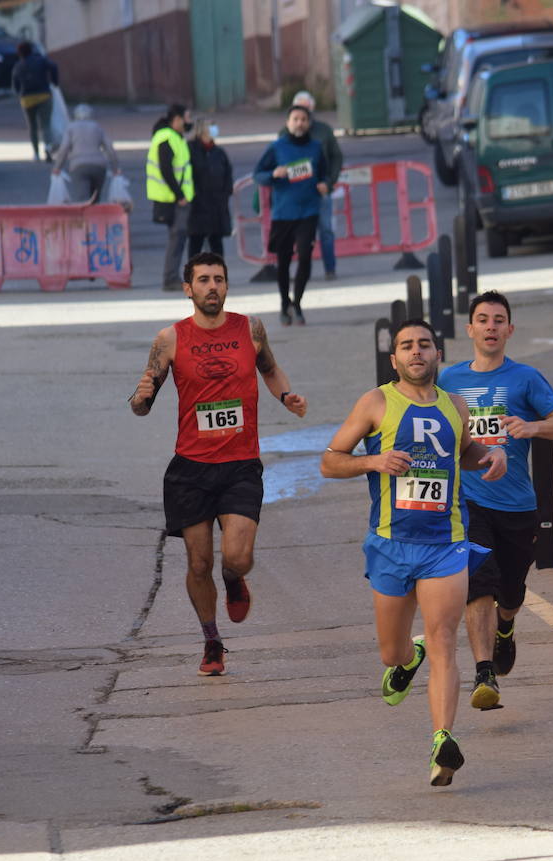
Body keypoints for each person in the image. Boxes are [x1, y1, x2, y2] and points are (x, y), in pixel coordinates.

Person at [320, 319, 507, 787]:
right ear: (394, 359)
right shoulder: (376, 402)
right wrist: (372, 460)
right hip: (390, 542)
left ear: (438, 354)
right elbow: (330, 460)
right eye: (407, 346)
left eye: (425, 344)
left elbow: (462, 452)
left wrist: (488, 455)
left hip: (445, 542)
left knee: (445, 639)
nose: (416, 352)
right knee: (391, 652)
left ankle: (443, 741)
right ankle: (408, 657)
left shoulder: (455, 405)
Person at [129, 252, 308, 677]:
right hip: (191, 467)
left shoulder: (250, 328)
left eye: (220, 279)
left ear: (227, 286)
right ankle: (212, 640)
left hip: (241, 463)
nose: (213, 287)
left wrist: (286, 396)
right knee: (197, 564)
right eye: (204, 280)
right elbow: (143, 402)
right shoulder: (169, 339)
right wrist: (139, 398)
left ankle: (234, 578)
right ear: (188, 288)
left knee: (238, 557)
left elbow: (271, 369)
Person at [437, 291, 553, 710]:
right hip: (468, 502)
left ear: (509, 330)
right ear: (470, 329)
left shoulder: (526, 378)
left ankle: (506, 628)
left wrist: (533, 428)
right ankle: (484, 673)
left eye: (499, 320)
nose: (491, 326)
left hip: (517, 505)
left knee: (510, 593)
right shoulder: (449, 381)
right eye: (483, 319)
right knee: (478, 583)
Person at [253, 105, 328, 326]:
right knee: (283, 261)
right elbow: (258, 174)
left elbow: (324, 171)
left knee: (305, 256)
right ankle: (284, 303)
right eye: (295, 119)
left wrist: (325, 183)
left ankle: (298, 302)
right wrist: (273, 174)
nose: (299, 123)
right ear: (288, 123)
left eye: (303, 119)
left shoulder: (316, 147)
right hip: (284, 212)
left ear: (309, 123)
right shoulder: (277, 147)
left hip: (308, 210)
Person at [288, 91, 343, 279]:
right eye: (299, 110)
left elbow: (336, 157)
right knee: (301, 235)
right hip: (296, 194)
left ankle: (330, 269)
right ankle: (303, 272)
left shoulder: (323, 131)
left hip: (320, 191)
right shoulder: (286, 133)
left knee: (326, 230)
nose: (302, 117)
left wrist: (329, 181)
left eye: (307, 108)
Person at [147, 104, 194, 292]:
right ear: (177, 120)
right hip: (172, 200)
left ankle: (172, 276)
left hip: (175, 198)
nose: (189, 122)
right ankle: (170, 278)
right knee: (177, 238)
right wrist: (180, 195)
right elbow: (166, 169)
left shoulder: (175, 137)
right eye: (187, 118)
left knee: (178, 239)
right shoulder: (166, 138)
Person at [51, 103, 120, 203]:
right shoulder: (97, 127)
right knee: (95, 199)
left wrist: (57, 168)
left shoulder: (71, 128)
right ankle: (96, 216)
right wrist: (115, 168)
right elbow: (109, 148)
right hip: (99, 167)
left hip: (78, 166)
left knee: (83, 199)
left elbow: (64, 149)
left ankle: (85, 217)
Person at [186, 119, 233, 258]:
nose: (213, 130)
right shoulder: (190, 150)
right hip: (198, 204)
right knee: (196, 241)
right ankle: (193, 275)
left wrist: (225, 194)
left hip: (217, 204)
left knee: (216, 242)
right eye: (210, 127)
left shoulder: (218, 152)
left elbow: (227, 174)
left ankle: (219, 276)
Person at [10, 41, 60, 162]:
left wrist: (18, 92)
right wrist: (54, 81)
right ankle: (48, 150)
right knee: (46, 124)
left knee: (32, 126)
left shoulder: (18, 65)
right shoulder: (41, 60)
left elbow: (15, 83)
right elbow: (54, 67)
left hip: (27, 99)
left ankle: (36, 153)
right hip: (44, 95)